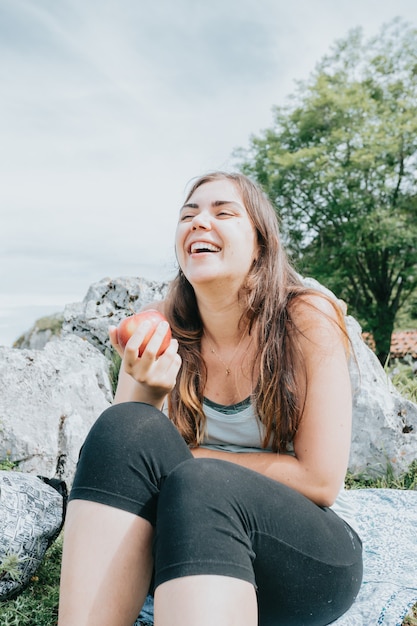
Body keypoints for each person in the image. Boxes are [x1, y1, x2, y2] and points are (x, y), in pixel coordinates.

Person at [58, 171, 363, 626]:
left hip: (300, 560)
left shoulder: (304, 318)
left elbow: (321, 480)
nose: (199, 222)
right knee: (120, 427)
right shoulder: (165, 323)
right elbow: (128, 460)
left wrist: (195, 460)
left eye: (223, 212)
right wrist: (145, 383)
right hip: (188, 538)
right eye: (188, 214)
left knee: (202, 482)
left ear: (260, 242)